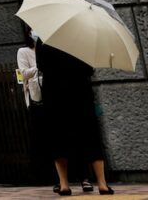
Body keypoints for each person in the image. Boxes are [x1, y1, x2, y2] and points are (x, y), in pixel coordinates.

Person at [36, 41, 114, 195]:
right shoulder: (81, 38)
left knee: (59, 138)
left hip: (55, 94)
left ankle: (64, 184)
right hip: (80, 92)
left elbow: (41, 65)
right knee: (90, 136)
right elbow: (89, 68)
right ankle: (102, 184)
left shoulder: (45, 38)